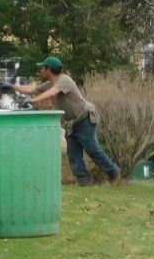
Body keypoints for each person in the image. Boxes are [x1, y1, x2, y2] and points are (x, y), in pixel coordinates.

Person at [13, 56, 120, 185]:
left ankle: (114, 173)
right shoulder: (49, 84)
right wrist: (11, 86)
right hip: (71, 124)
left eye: (43, 68)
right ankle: (84, 181)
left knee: (92, 149)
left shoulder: (65, 80)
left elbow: (52, 93)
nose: (42, 70)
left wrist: (31, 101)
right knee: (73, 154)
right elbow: (31, 89)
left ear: (49, 70)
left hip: (84, 118)